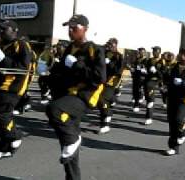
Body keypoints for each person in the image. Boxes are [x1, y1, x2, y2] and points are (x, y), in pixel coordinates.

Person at [46, 14, 106, 180]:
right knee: (68, 151)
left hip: (83, 97)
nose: (70, 31)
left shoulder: (96, 49)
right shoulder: (69, 48)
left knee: (54, 110)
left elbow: (98, 78)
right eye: (69, 27)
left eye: (75, 27)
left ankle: (73, 140)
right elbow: (62, 74)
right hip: (67, 96)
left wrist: (77, 65)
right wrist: (48, 74)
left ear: (85, 29)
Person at [0, 20, 34, 160]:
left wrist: (3, 59)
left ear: (13, 30)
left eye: (4, 29)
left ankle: (15, 136)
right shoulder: (2, 46)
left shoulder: (21, 45)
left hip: (13, 87)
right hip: (0, 86)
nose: (1, 32)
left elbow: (22, 68)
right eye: (0, 29)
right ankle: (5, 149)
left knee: (2, 114)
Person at [97, 38, 124, 134]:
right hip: (101, 80)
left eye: (111, 45)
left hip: (111, 82)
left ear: (116, 45)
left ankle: (104, 125)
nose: (109, 46)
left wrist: (110, 63)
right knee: (101, 100)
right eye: (108, 45)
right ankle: (113, 101)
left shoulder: (119, 56)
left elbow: (118, 71)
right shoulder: (105, 53)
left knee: (102, 100)